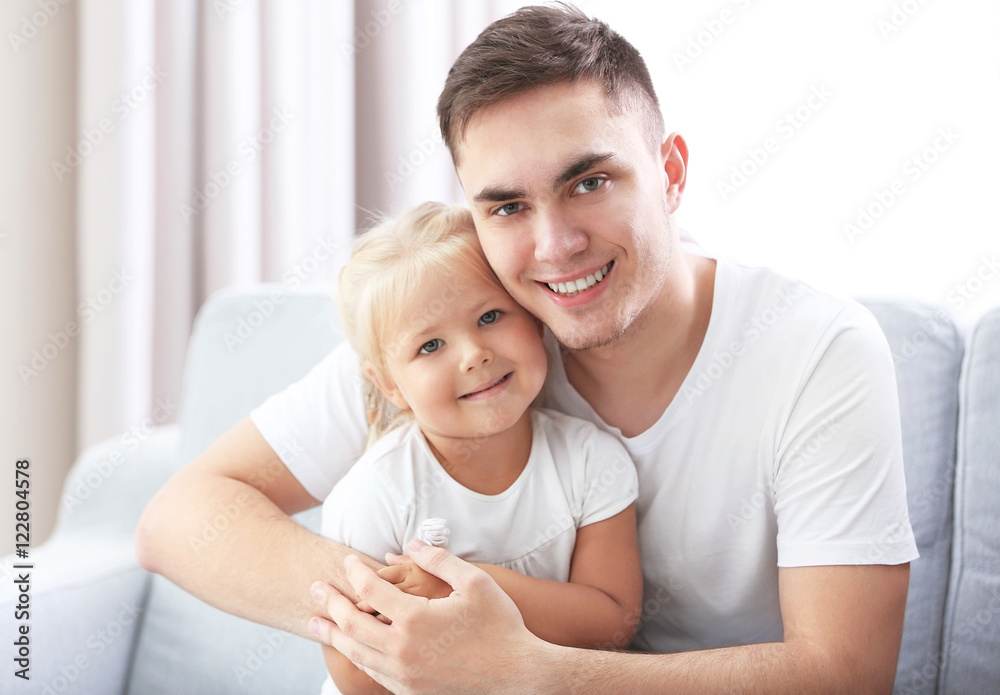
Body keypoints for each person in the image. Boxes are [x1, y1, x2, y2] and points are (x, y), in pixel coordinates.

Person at [137, 3, 918, 693]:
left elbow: (843, 673)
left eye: (589, 182)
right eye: (508, 205)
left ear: (671, 173)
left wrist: (529, 672)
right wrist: (406, 608)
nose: (555, 247)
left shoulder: (817, 351)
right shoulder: (464, 336)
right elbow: (179, 519)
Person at [318, 201, 641, 695]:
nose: (474, 355)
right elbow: (354, 674)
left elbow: (612, 624)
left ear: (535, 320)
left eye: (490, 316)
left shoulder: (592, 462)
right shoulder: (375, 494)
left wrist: (463, 588)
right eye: (430, 346)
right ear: (389, 386)